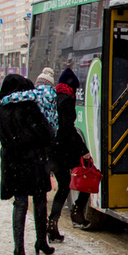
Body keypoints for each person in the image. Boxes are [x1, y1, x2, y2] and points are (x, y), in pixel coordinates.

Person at [0, 74, 55, 255]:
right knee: (39, 201)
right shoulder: (29, 106)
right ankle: (41, 242)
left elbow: (3, 135)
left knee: (20, 203)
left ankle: (18, 249)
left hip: (13, 161)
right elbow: (45, 133)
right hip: (33, 160)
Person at [47, 67, 93, 239]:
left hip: (54, 151)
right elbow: (68, 129)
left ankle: (52, 223)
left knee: (64, 186)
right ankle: (77, 210)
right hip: (65, 151)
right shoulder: (67, 101)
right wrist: (83, 150)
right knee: (88, 176)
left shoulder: (54, 98)